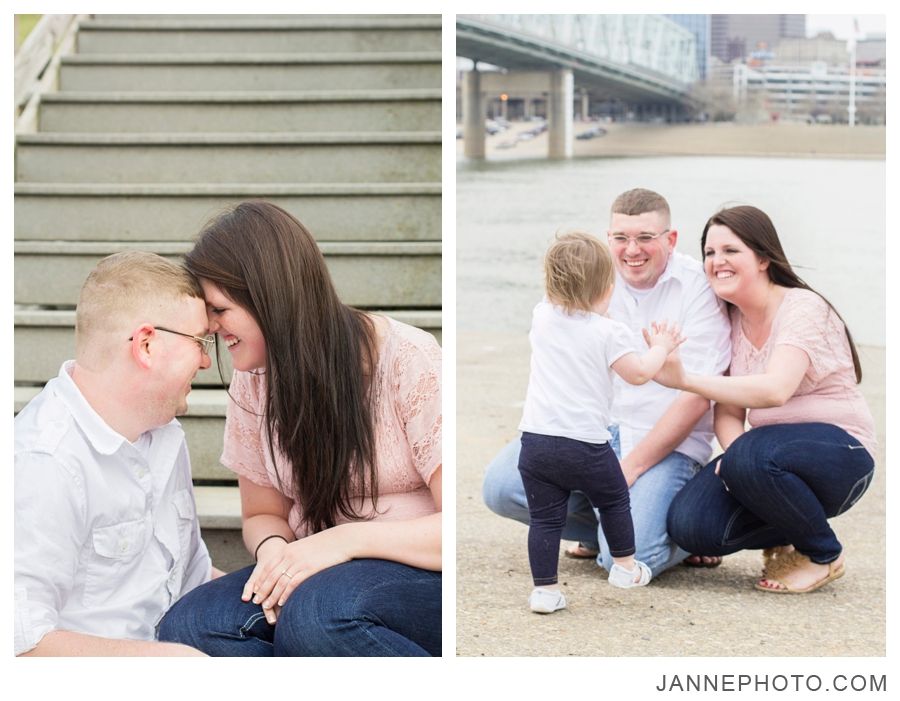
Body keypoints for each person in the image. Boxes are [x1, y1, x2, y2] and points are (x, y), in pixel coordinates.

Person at [157, 201, 441, 656]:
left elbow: (453, 532)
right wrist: (274, 555)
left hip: (419, 575)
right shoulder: (253, 382)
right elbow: (262, 514)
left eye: (220, 309)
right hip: (315, 573)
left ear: (267, 297)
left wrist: (341, 542)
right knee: (190, 628)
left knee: (319, 619)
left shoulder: (407, 357)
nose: (210, 328)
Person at [483, 188, 732, 581]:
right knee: (501, 488)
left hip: (663, 443)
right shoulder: (590, 277)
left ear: (670, 239)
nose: (631, 250)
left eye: (645, 238)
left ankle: (692, 522)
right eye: (621, 238)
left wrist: (628, 469)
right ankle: (610, 525)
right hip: (587, 434)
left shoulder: (697, 288)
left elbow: (698, 395)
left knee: (635, 559)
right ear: (608, 238)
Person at [662, 205, 876, 594]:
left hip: (841, 456)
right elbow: (728, 414)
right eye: (710, 253)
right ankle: (786, 527)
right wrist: (741, 472)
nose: (717, 261)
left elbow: (775, 390)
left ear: (762, 258)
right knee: (690, 526)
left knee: (749, 457)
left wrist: (688, 380)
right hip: (769, 461)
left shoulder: (803, 308)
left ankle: (824, 553)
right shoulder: (728, 320)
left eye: (730, 250)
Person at [15, 251, 218, 656]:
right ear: (146, 344)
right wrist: (175, 665)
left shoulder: (165, 435)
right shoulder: (43, 461)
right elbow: (20, 643)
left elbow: (192, 580)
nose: (207, 361)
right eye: (199, 342)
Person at [518, 232, 684, 613]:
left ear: (551, 285)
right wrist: (661, 347)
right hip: (586, 445)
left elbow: (566, 299)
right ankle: (625, 567)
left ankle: (544, 592)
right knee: (613, 499)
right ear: (607, 290)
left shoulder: (542, 317)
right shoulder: (609, 332)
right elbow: (639, 374)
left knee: (544, 519)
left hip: (536, 443)